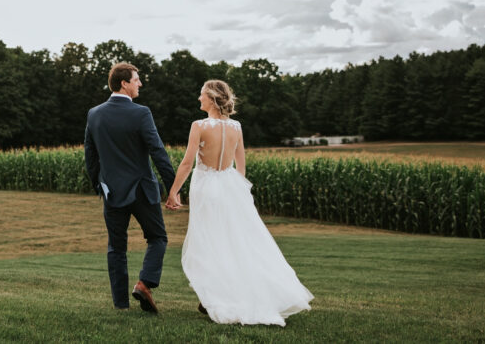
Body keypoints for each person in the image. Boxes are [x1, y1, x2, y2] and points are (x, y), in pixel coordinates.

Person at [165, 79, 313, 325]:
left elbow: (187, 163)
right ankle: (228, 293)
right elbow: (240, 166)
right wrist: (235, 191)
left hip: (206, 189)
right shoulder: (236, 127)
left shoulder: (199, 125)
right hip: (230, 187)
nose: (199, 98)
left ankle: (218, 296)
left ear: (212, 98)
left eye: (201, 94)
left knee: (209, 243)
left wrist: (173, 192)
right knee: (234, 241)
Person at [84, 62, 177, 313]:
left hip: (111, 192)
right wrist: (173, 187)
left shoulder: (94, 114)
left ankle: (121, 304)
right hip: (142, 190)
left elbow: (90, 157)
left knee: (116, 247)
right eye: (137, 79)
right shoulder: (141, 113)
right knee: (157, 237)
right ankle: (144, 283)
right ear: (124, 83)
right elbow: (157, 151)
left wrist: (99, 186)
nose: (140, 83)